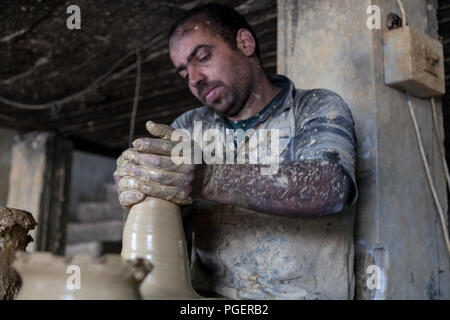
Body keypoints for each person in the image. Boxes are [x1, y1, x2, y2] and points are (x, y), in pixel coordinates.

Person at [114, 3, 358, 299]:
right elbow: (160, 213)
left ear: (245, 43)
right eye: (183, 73)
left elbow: (331, 187)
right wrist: (141, 180)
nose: (194, 79)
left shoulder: (314, 107)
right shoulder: (189, 128)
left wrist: (209, 178)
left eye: (203, 57)